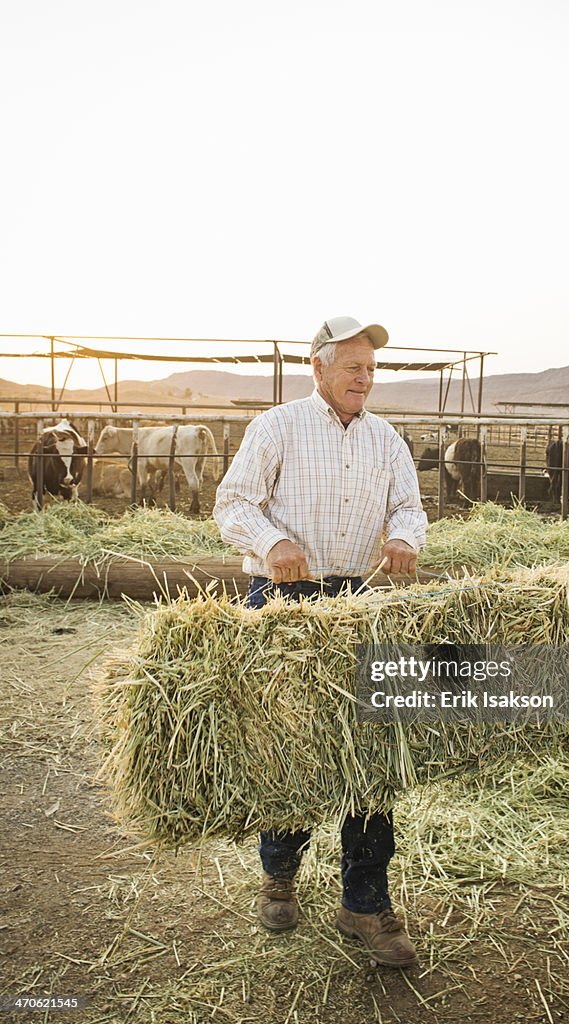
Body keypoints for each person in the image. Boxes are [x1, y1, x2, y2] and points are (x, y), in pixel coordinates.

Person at [213, 315, 427, 967]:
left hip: (359, 599)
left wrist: (403, 540)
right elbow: (232, 504)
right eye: (354, 366)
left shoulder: (387, 439)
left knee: (369, 751)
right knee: (289, 744)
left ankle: (364, 903)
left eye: (371, 368)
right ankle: (279, 874)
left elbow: (410, 508)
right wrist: (272, 542)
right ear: (319, 369)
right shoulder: (277, 427)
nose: (366, 377)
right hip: (284, 600)